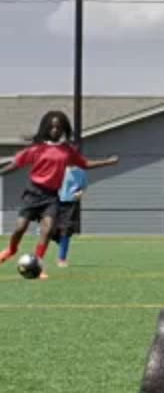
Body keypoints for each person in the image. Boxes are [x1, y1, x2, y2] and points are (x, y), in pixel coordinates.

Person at [0, 111, 119, 277]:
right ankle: (11, 250)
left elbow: (84, 163)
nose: (55, 130)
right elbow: (15, 164)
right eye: (52, 127)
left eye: (59, 127)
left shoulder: (67, 151)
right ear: (46, 128)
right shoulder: (37, 149)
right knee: (20, 228)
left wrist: (107, 162)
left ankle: (38, 265)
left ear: (63, 129)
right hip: (33, 193)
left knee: (47, 230)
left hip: (51, 196)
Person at [54, 165, 88, 267]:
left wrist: (80, 193)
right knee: (51, 230)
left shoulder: (81, 172)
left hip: (71, 204)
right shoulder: (58, 169)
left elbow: (84, 186)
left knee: (66, 230)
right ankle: (62, 243)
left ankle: (62, 259)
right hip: (56, 202)